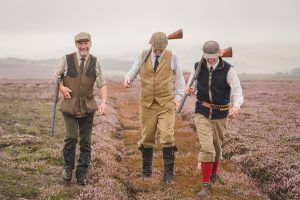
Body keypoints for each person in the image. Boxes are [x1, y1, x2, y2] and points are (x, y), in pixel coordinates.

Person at [123, 32, 185, 184]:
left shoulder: (173, 56)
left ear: (165, 46)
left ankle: (168, 175)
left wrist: (177, 99)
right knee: (147, 137)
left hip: (166, 104)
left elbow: (180, 80)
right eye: (156, 49)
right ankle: (146, 172)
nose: (158, 51)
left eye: (161, 49)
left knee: (167, 136)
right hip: (146, 104)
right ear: (151, 45)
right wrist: (127, 78)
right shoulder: (143, 54)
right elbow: (134, 69)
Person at [184, 41, 244, 199]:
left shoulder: (229, 70)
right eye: (207, 57)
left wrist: (236, 107)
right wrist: (188, 90)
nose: (210, 60)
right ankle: (205, 184)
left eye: (212, 57)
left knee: (217, 147)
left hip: (221, 114)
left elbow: (238, 91)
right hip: (202, 112)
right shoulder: (197, 66)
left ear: (219, 53)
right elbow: (192, 87)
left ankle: (214, 175)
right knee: (207, 148)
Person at [54, 32, 108, 185]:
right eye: (80, 44)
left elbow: (102, 83)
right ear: (76, 45)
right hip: (69, 106)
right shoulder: (66, 59)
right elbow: (56, 77)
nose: (83, 46)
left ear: (90, 43)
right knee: (71, 137)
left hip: (88, 107)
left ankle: (82, 172)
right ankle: (67, 168)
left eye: (86, 43)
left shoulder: (96, 62)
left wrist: (104, 101)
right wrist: (62, 88)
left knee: (85, 141)